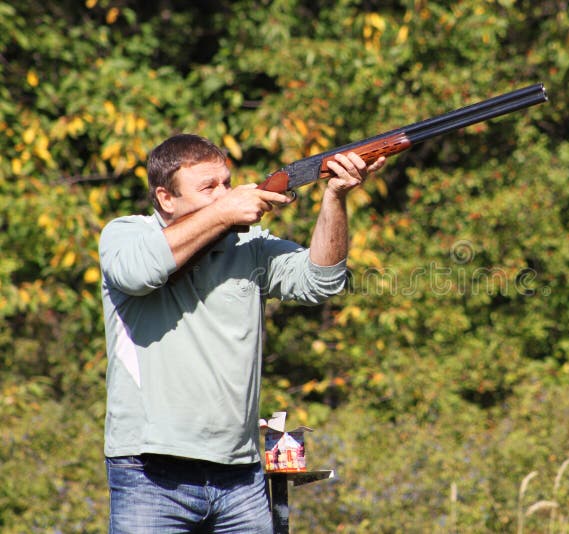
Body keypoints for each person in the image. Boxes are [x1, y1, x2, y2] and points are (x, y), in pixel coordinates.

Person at [99, 133, 385, 533]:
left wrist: (335, 197)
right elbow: (137, 273)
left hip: (240, 473)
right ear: (166, 198)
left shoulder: (249, 245)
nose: (224, 194)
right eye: (208, 188)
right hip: (151, 472)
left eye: (227, 184)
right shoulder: (127, 234)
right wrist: (224, 213)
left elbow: (321, 282)